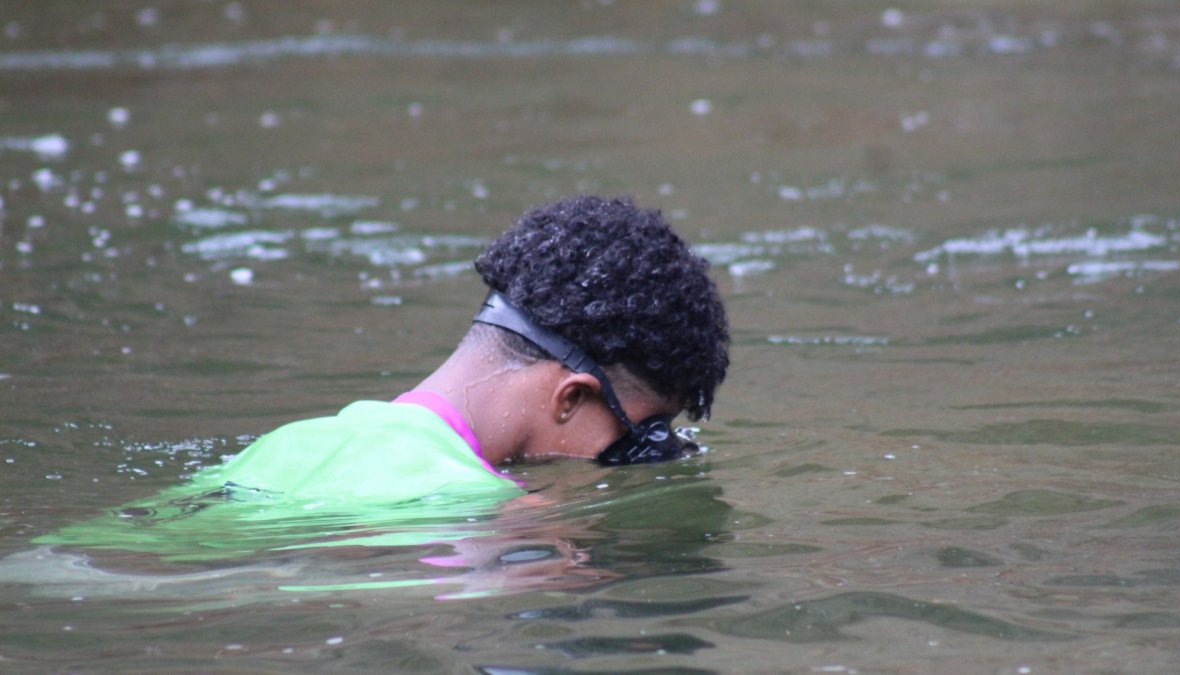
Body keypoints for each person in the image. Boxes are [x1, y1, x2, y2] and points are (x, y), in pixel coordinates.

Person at [33, 195, 730, 560]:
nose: (637, 459)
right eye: (641, 436)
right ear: (572, 397)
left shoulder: (287, 442)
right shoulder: (500, 520)